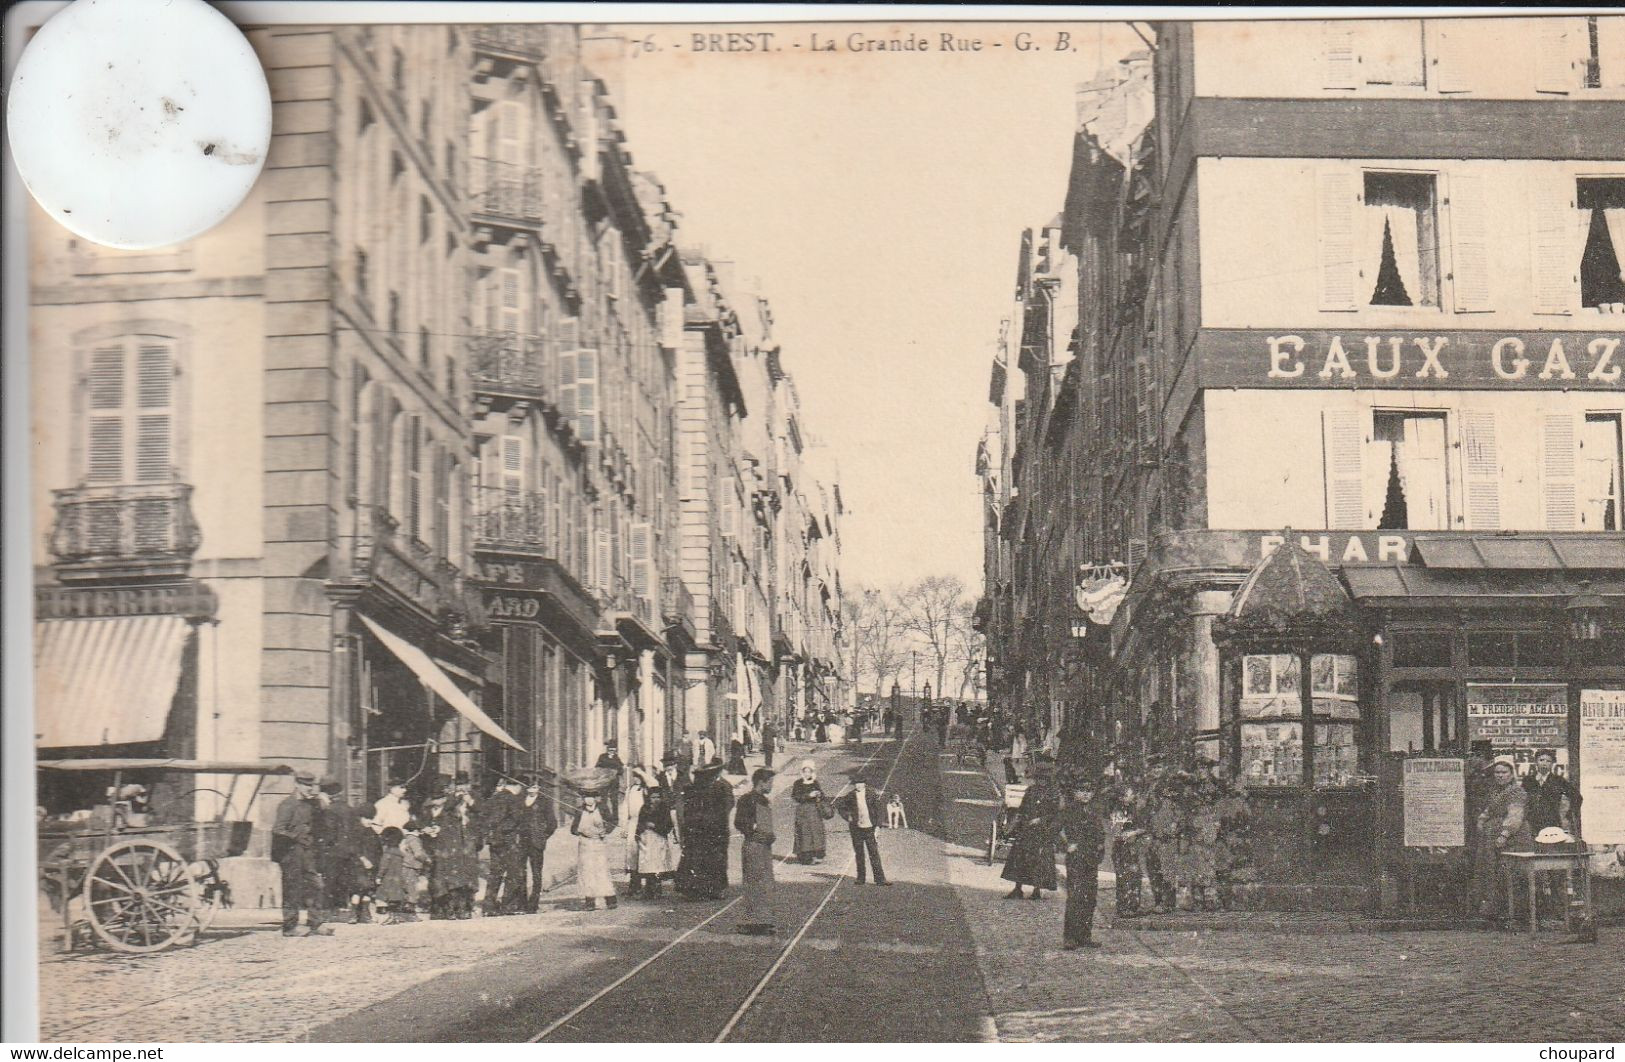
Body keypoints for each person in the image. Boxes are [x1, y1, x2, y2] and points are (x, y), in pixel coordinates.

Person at [1473, 758, 1534, 923]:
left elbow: (1515, 816)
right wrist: (1482, 820)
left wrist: (1504, 834)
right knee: (1493, 871)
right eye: (1497, 772)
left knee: (1512, 873)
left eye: (1504, 772)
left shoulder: (1517, 792)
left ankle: (1517, 914)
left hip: (1515, 837)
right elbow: (1490, 809)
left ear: (1511, 774)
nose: (1500, 775)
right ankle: (1496, 911)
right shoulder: (1496, 792)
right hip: (1494, 835)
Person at [271, 771, 332, 937]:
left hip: (307, 852)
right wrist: (297, 837)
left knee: (316, 885)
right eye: (306, 785)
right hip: (291, 852)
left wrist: (323, 803)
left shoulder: (310, 804)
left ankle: (315, 923)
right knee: (292, 889)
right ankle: (290, 927)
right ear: (297, 784)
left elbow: (321, 819)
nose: (309, 789)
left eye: (311, 785)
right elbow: (278, 829)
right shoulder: (287, 805)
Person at [1056, 777, 1106, 950]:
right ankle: (1070, 937)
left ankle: (1085, 935)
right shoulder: (1068, 811)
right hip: (1076, 859)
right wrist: (1065, 846)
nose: (1086, 794)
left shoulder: (1094, 812)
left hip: (1090, 859)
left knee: (1090, 898)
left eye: (1089, 791)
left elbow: (1101, 833)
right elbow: (1053, 830)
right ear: (1074, 792)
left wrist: (1100, 849)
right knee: (1075, 897)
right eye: (1082, 790)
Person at [318, 779, 376, 924]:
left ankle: (330, 912)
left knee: (330, 881)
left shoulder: (329, 811)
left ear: (326, 794)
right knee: (349, 881)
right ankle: (356, 912)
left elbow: (329, 834)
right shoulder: (350, 809)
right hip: (350, 852)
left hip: (333, 852)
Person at [676, 757, 733, 899]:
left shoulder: (722, 787)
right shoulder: (697, 788)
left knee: (716, 859)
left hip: (717, 829)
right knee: (699, 859)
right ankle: (698, 889)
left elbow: (726, 807)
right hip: (699, 830)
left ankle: (715, 889)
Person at [1002, 763, 1059, 900]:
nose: (1041, 781)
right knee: (1019, 857)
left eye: (1044, 778)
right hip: (1026, 829)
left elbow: (1056, 814)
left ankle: (1037, 890)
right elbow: (1022, 808)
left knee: (1039, 860)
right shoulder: (1031, 791)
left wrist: (1040, 820)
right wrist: (1018, 821)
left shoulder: (1053, 794)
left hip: (1042, 832)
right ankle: (1018, 888)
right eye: (1039, 778)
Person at [426, 782, 481, 919]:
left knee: (467, 880)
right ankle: (450, 909)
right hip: (452, 851)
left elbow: (480, 821)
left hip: (467, 850)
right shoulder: (448, 814)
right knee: (452, 881)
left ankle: (464, 908)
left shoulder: (470, 811)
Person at [734, 767, 778, 934]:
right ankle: (753, 922)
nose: (772, 786)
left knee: (766, 883)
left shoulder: (764, 800)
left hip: (764, 847)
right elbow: (739, 823)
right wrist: (753, 833)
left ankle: (764, 920)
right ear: (761, 783)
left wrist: (768, 837)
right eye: (770, 782)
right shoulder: (747, 800)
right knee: (754, 884)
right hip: (753, 846)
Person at [633, 769, 680, 900]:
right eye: (653, 797)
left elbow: (668, 824)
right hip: (647, 840)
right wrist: (639, 832)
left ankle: (657, 888)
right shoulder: (644, 808)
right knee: (647, 865)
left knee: (658, 864)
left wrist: (656, 826)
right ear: (649, 798)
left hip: (659, 839)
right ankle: (648, 888)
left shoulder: (664, 808)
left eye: (658, 797)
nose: (655, 800)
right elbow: (640, 822)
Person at [481, 776, 525, 915]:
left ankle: (488, 906)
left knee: (495, 873)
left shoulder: (493, 798)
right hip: (508, 841)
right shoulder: (513, 799)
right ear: (517, 786)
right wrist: (507, 830)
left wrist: (493, 832)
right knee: (513, 873)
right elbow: (517, 818)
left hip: (494, 841)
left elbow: (485, 817)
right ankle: (508, 905)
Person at [836, 779, 892, 886]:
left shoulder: (871, 794)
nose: (858, 785)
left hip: (869, 828)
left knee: (874, 853)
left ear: (864, 784)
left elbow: (880, 810)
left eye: (861, 783)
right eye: (857, 783)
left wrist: (878, 826)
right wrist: (847, 816)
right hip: (856, 829)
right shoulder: (851, 795)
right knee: (859, 853)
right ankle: (861, 878)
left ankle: (880, 879)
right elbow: (840, 805)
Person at [571, 790, 619, 911]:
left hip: (599, 842)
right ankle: (590, 902)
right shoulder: (579, 810)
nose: (589, 800)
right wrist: (581, 831)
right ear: (583, 799)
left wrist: (605, 831)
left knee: (601, 870)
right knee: (587, 871)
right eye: (586, 797)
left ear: (595, 798)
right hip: (585, 844)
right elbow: (573, 829)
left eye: (591, 797)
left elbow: (612, 822)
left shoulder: (602, 808)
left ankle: (610, 899)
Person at [518, 776, 557, 913]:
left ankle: (533, 904)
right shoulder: (520, 800)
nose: (532, 790)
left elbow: (552, 823)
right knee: (520, 872)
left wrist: (543, 836)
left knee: (536, 873)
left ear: (538, 788)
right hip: (522, 842)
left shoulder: (544, 801)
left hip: (536, 843)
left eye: (534, 787)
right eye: (529, 787)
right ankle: (522, 902)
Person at [1110, 783, 1146, 919]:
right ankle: (1124, 907)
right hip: (1121, 850)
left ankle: (1134, 906)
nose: (1133, 796)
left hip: (1132, 848)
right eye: (1130, 794)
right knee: (1124, 877)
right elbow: (1117, 834)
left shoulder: (1133, 809)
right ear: (1121, 798)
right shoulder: (1117, 811)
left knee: (1136, 876)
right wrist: (1131, 833)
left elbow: (1143, 827)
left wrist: (1134, 832)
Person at [374, 826, 417, 923]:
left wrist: (379, 877)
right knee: (395, 899)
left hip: (387, 880)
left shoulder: (387, 853)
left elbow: (383, 867)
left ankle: (389, 917)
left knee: (383, 898)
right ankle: (395, 917)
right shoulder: (400, 854)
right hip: (398, 879)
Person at [790, 760, 829, 865]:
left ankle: (817, 854)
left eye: (809, 771)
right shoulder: (798, 783)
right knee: (804, 833)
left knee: (816, 832)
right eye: (805, 771)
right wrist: (808, 796)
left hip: (814, 811)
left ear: (812, 772)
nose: (807, 774)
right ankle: (806, 857)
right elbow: (795, 797)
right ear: (802, 772)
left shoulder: (815, 782)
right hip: (803, 811)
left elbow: (823, 796)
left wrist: (819, 794)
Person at [595, 744, 625, 820]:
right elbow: (597, 767)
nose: (612, 752)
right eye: (610, 750)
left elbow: (621, 770)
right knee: (603, 799)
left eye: (613, 750)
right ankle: (604, 817)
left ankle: (615, 818)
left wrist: (616, 771)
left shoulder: (616, 758)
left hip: (614, 782)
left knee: (614, 799)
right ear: (607, 750)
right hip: (604, 781)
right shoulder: (602, 757)